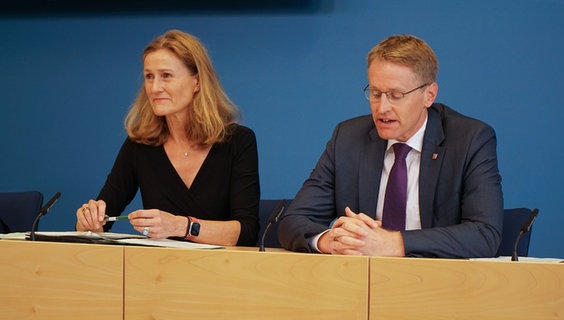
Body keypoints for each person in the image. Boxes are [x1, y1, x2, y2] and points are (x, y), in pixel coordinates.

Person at [278, 34, 503, 258]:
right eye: (375, 94)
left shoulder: (469, 139)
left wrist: (394, 243)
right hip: (361, 282)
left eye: (396, 95)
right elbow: (293, 221)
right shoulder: (348, 138)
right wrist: (331, 240)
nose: (382, 107)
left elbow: (484, 234)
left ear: (429, 95)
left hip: (439, 283)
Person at [76, 30, 260, 246]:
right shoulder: (140, 145)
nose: (154, 88)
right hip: (157, 272)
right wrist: (88, 222)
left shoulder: (238, 141)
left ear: (197, 82)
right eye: (149, 77)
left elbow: (247, 232)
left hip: (220, 272)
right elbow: (102, 221)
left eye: (166, 76)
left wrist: (181, 226)